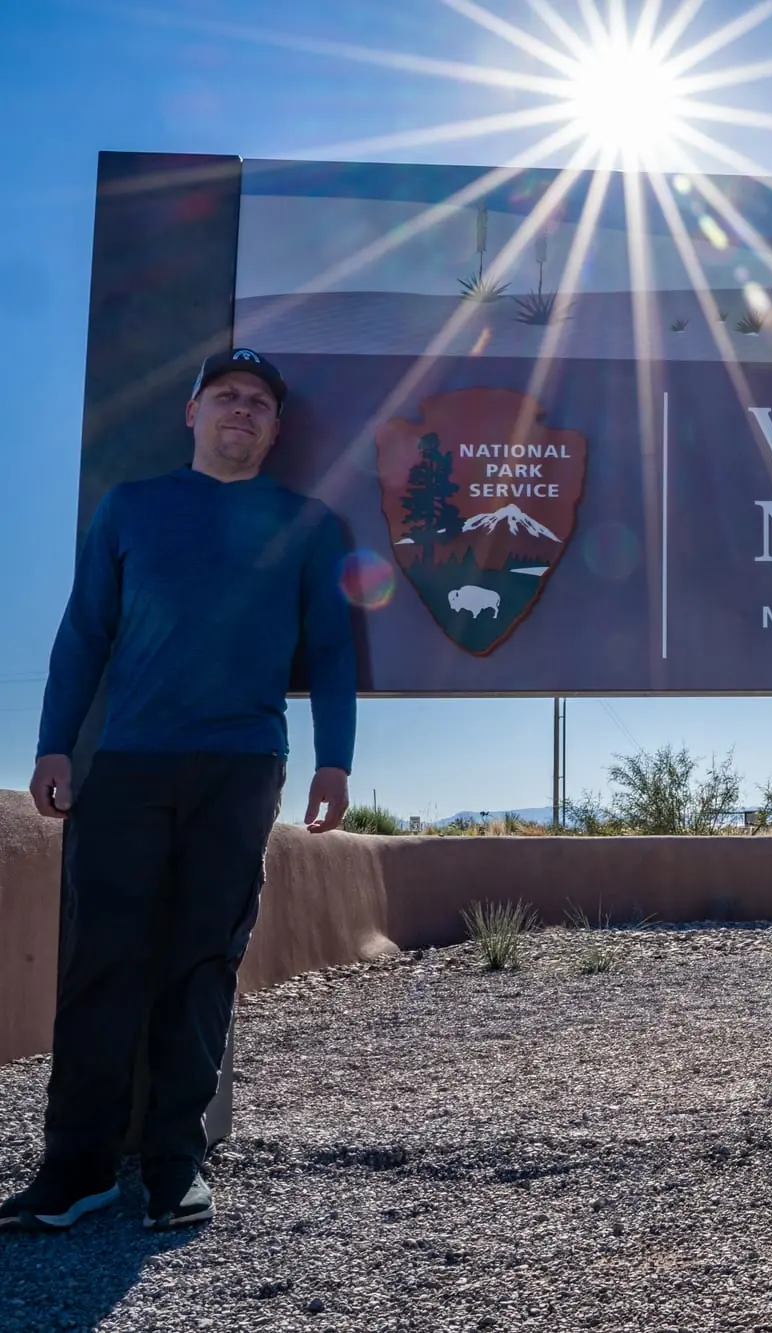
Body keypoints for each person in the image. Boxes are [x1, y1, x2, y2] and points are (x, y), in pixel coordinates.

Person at [1, 349, 356, 1233]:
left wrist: (334, 759)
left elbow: (336, 650)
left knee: (202, 963)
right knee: (100, 961)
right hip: (125, 764)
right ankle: (76, 1166)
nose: (243, 410)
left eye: (261, 404)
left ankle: (174, 1166)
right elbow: (84, 631)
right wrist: (53, 745)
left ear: (276, 430)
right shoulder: (131, 508)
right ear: (191, 413)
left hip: (241, 766)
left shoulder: (307, 524)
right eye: (227, 396)